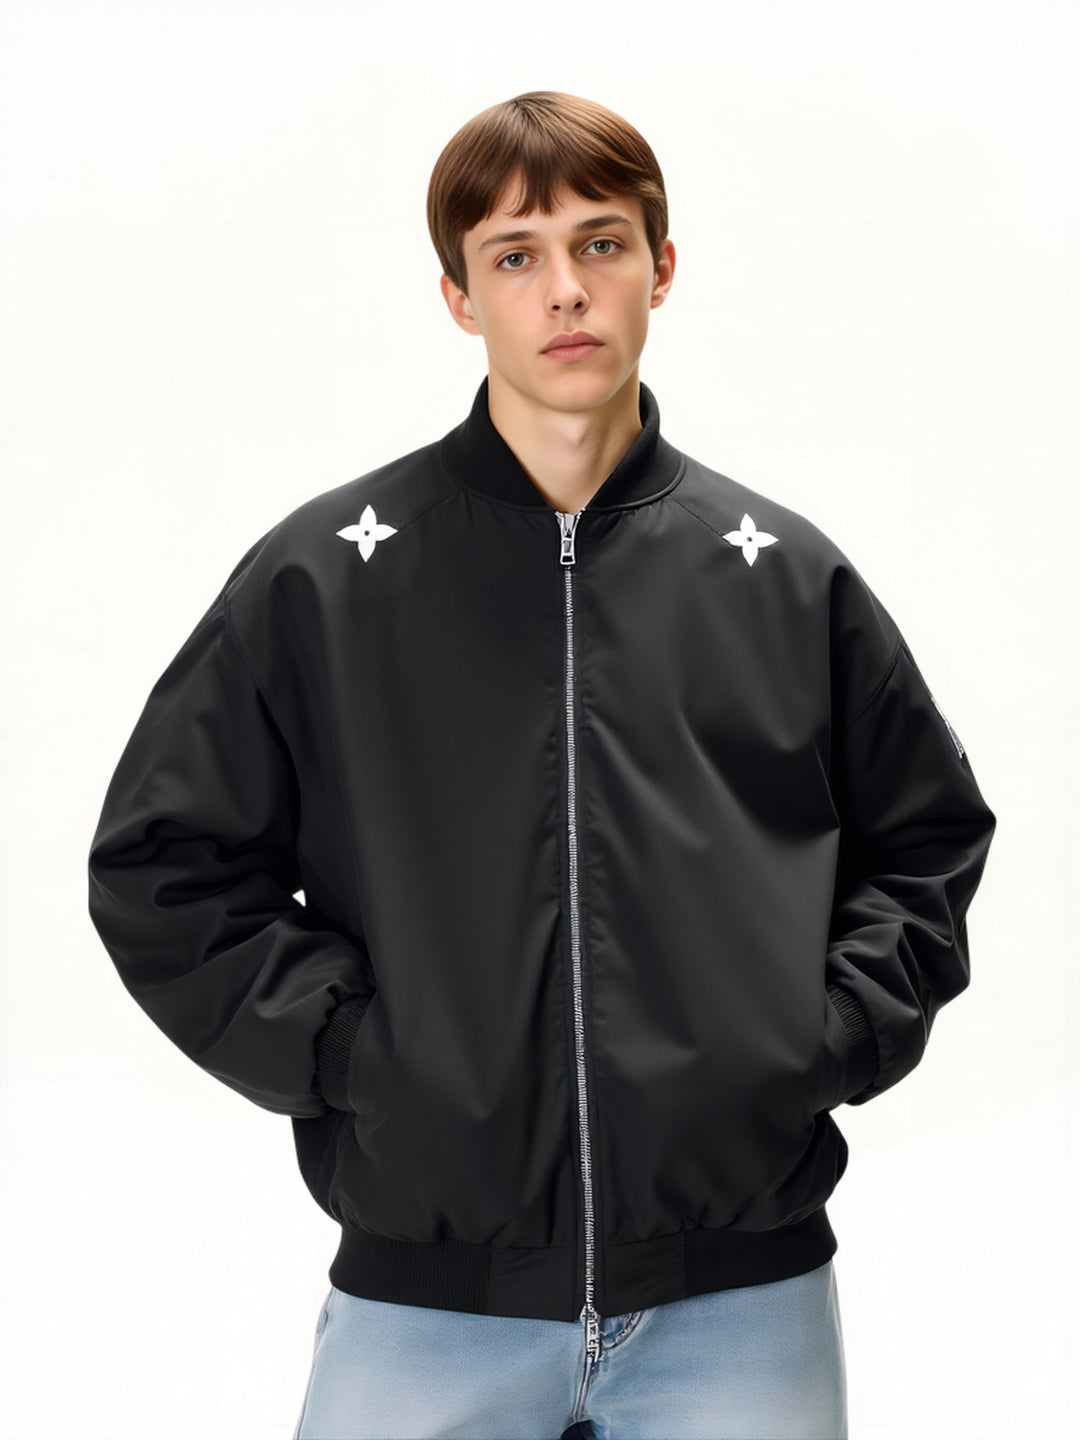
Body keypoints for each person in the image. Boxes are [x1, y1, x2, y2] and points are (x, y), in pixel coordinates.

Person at [86, 90, 996, 1440]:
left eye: (601, 243)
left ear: (661, 269)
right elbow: (161, 865)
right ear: (460, 297)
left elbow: (925, 840)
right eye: (516, 255)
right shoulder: (327, 578)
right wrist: (353, 1052)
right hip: (425, 1306)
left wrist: (815, 1041)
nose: (566, 288)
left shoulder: (783, 578)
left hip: (740, 1304)